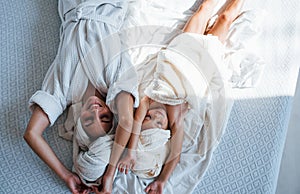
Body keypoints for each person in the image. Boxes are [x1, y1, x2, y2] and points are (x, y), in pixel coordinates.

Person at [116, 0, 245, 193]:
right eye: (159, 124)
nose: (156, 116)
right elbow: (175, 155)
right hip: (204, 60)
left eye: (149, 118)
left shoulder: (148, 100)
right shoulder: (176, 117)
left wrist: (131, 153)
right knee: (225, 18)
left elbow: (135, 123)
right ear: (166, 130)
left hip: (182, 50)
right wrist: (161, 181)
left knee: (204, 9)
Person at [23, 0, 139, 193]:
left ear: (78, 123)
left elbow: (31, 133)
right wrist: (110, 174)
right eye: (104, 117)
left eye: (87, 120)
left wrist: (66, 174)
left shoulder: (62, 92)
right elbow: (127, 120)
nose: (95, 110)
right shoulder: (116, 81)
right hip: (108, 5)